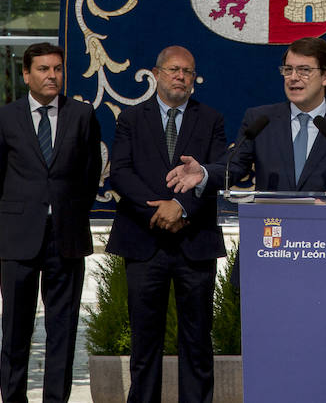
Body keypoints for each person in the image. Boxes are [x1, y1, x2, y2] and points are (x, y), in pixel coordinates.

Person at [168, 36, 326, 403]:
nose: (294, 78)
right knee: (270, 368)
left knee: (321, 372)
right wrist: (204, 173)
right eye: (288, 69)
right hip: (269, 269)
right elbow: (232, 168)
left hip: (322, 275)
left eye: (304, 70)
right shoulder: (260, 120)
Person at [107, 45, 227, 403]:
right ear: (156, 74)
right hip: (144, 242)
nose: (181, 77)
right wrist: (159, 211)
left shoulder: (211, 120)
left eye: (188, 72)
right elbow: (121, 174)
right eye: (174, 70)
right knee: (145, 341)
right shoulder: (131, 118)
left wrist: (182, 207)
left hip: (195, 242)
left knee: (197, 340)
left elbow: (219, 172)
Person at [0, 42, 103, 402]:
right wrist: (25, 211)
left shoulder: (81, 115)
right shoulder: (6, 118)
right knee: (16, 331)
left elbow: (90, 173)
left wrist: (67, 211)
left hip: (66, 237)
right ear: (26, 74)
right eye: (43, 69)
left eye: (57, 69)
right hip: (20, 236)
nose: (52, 75)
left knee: (63, 330)